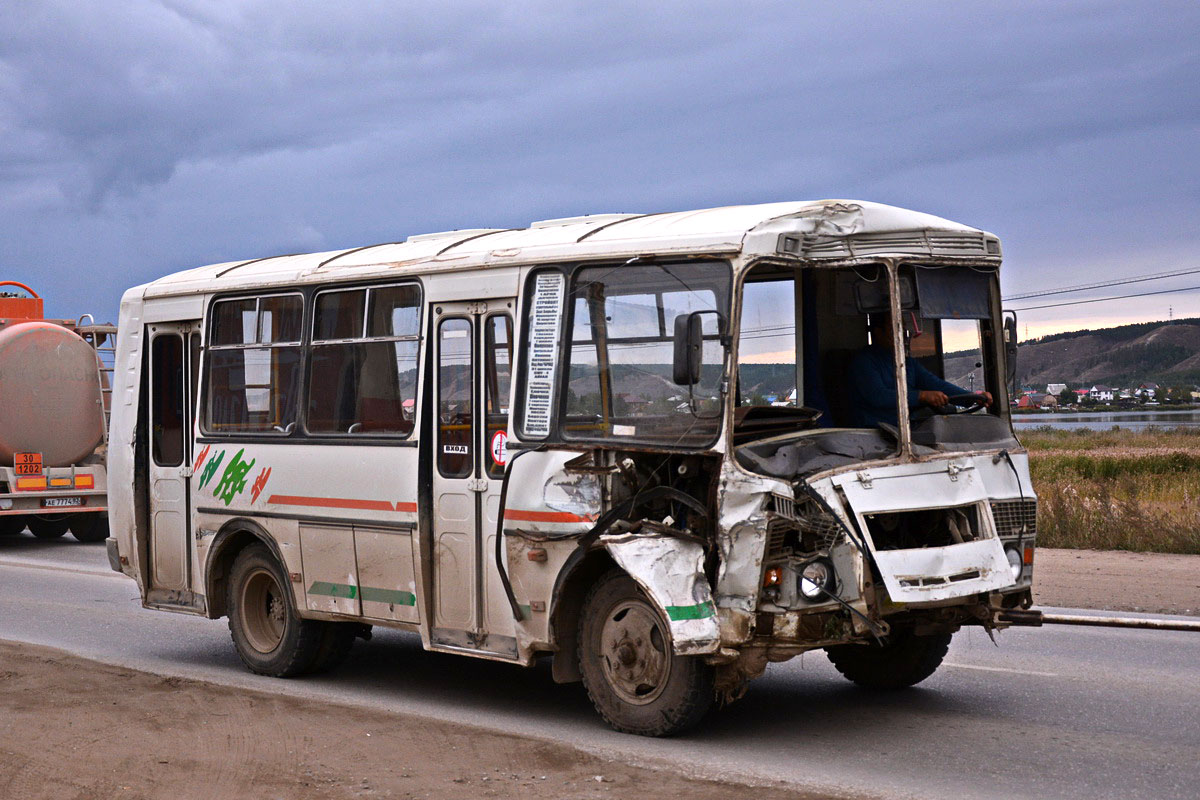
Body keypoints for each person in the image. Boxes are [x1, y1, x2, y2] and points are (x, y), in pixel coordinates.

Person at [847, 313, 992, 428]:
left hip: (907, 429)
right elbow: (878, 396)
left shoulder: (907, 363)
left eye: (903, 328)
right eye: (895, 329)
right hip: (873, 432)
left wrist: (971, 397)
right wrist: (921, 396)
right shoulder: (864, 361)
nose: (901, 333)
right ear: (878, 333)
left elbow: (936, 384)